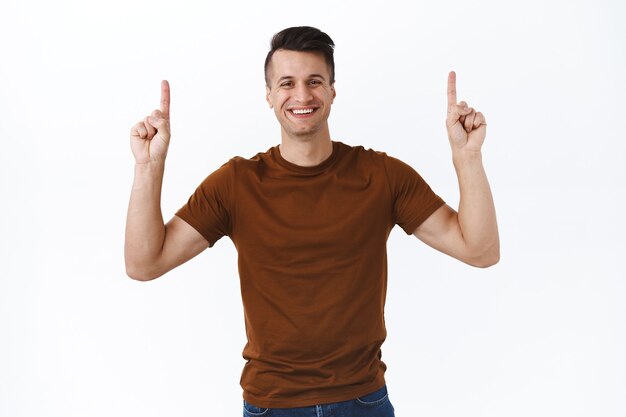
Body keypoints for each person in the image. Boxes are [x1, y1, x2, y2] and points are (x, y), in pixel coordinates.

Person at [125, 26, 499, 416]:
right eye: (287, 83)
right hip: (272, 404)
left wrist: (467, 157)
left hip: (363, 401)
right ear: (268, 95)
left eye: (314, 81)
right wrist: (148, 167)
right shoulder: (236, 184)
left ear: (333, 91)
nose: (302, 95)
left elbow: (480, 250)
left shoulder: (382, 176)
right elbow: (144, 263)